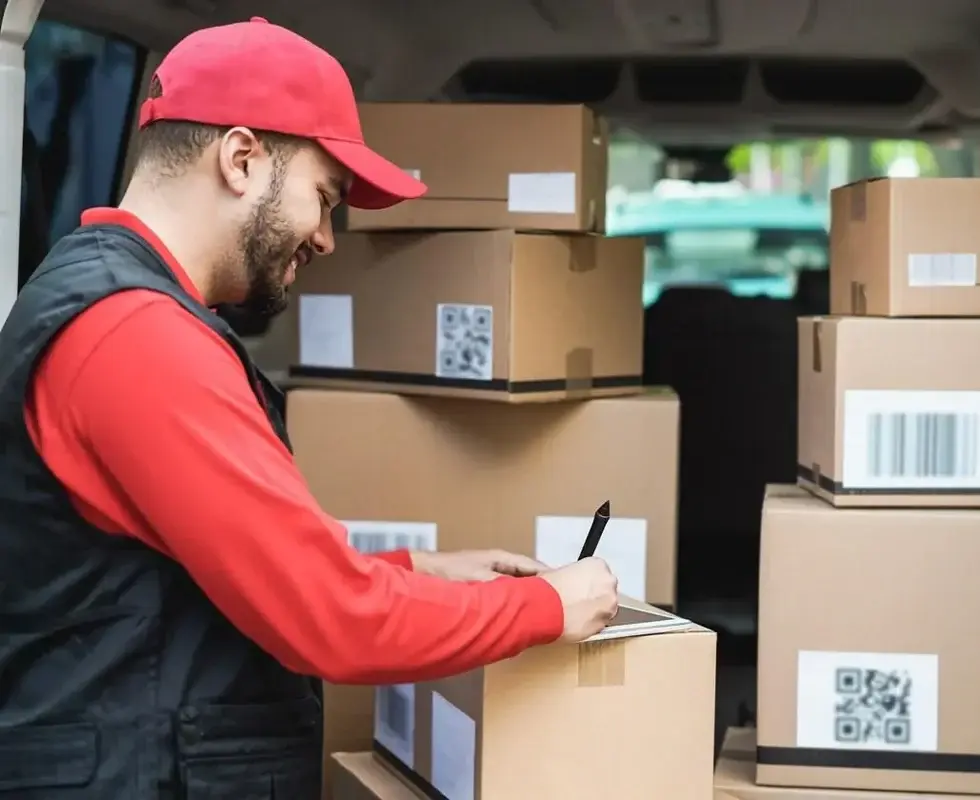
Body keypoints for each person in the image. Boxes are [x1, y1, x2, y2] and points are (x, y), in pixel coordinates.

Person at [0, 16, 619, 800]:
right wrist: (544, 606)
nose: (327, 238)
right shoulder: (137, 336)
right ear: (242, 158)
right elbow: (330, 620)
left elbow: (200, 583)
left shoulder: (109, 301)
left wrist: (413, 571)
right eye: (323, 198)